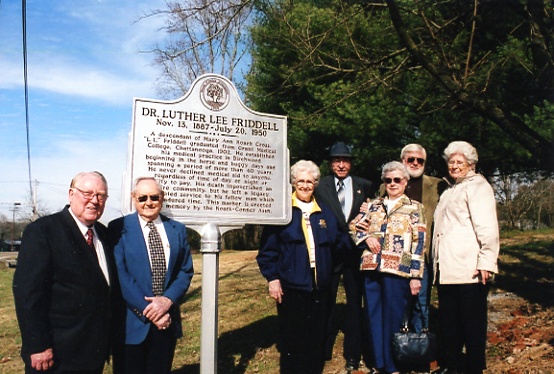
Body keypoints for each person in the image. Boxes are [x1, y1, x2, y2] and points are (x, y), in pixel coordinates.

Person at [13, 171, 118, 373]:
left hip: (92, 353)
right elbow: (28, 294)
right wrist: (37, 345)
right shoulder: (44, 231)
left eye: (101, 195)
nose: (94, 201)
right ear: (71, 194)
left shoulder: (104, 235)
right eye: (87, 193)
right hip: (55, 355)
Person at [256, 160, 347, 374]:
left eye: (310, 181)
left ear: (315, 183)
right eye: (300, 181)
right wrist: (273, 279)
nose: (305, 185)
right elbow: (268, 251)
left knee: (316, 340)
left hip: (320, 286)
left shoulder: (324, 210)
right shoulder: (283, 211)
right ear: (293, 182)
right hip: (292, 288)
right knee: (292, 342)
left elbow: (339, 241)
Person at [109, 177, 194, 374]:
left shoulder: (177, 229)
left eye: (154, 197)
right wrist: (150, 310)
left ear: (162, 198)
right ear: (133, 198)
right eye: (142, 198)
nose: (149, 202)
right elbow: (121, 274)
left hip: (166, 322)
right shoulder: (118, 228)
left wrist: (166, 301)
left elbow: (185, 270)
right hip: (131, 324)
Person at [351, 161, 426, 374]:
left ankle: (394, 366)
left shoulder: (414, 208)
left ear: (405, 181)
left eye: (397, 180)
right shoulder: (373, 205)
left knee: (393, 317)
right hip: (371, 267)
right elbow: (353, 227)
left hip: (398, 270)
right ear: (384, 182)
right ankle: (379, 363)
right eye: (388, 180)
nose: (392, 184)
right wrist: (365, 238)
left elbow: (419, 243)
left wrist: (415, 275)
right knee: (374, 315)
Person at [432, 141, 499, 374]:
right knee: (449, 322)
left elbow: (488, 228)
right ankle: (451, 366)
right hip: (447, 268)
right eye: (451, 161)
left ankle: (474, 368)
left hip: (469, 268)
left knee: (472, 324)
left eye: (460, 162)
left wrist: (486, 262)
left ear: (471, 164)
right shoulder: (450, 189)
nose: (455, 166)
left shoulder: (478, 187)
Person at [314, 142, 373, 372]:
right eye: (336, 160)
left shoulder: (365, 186)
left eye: (345, 160)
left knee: (353, 304)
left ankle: (353, 354)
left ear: (351, 163)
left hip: (355, 254)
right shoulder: (321, 187)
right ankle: (323, 350)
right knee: (325, 302)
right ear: (330, 163)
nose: (341, 164)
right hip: (329, 253)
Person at [379, 144, 446, 338]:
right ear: (403, 161)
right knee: (397, 302)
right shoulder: (387, 185)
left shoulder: (438, 185)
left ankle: (419, 347)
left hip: (420, 254)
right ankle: (398, 346)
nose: (415, 163)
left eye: (420, 160)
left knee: (420, 301)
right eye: (411, 159)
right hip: (395, 257)